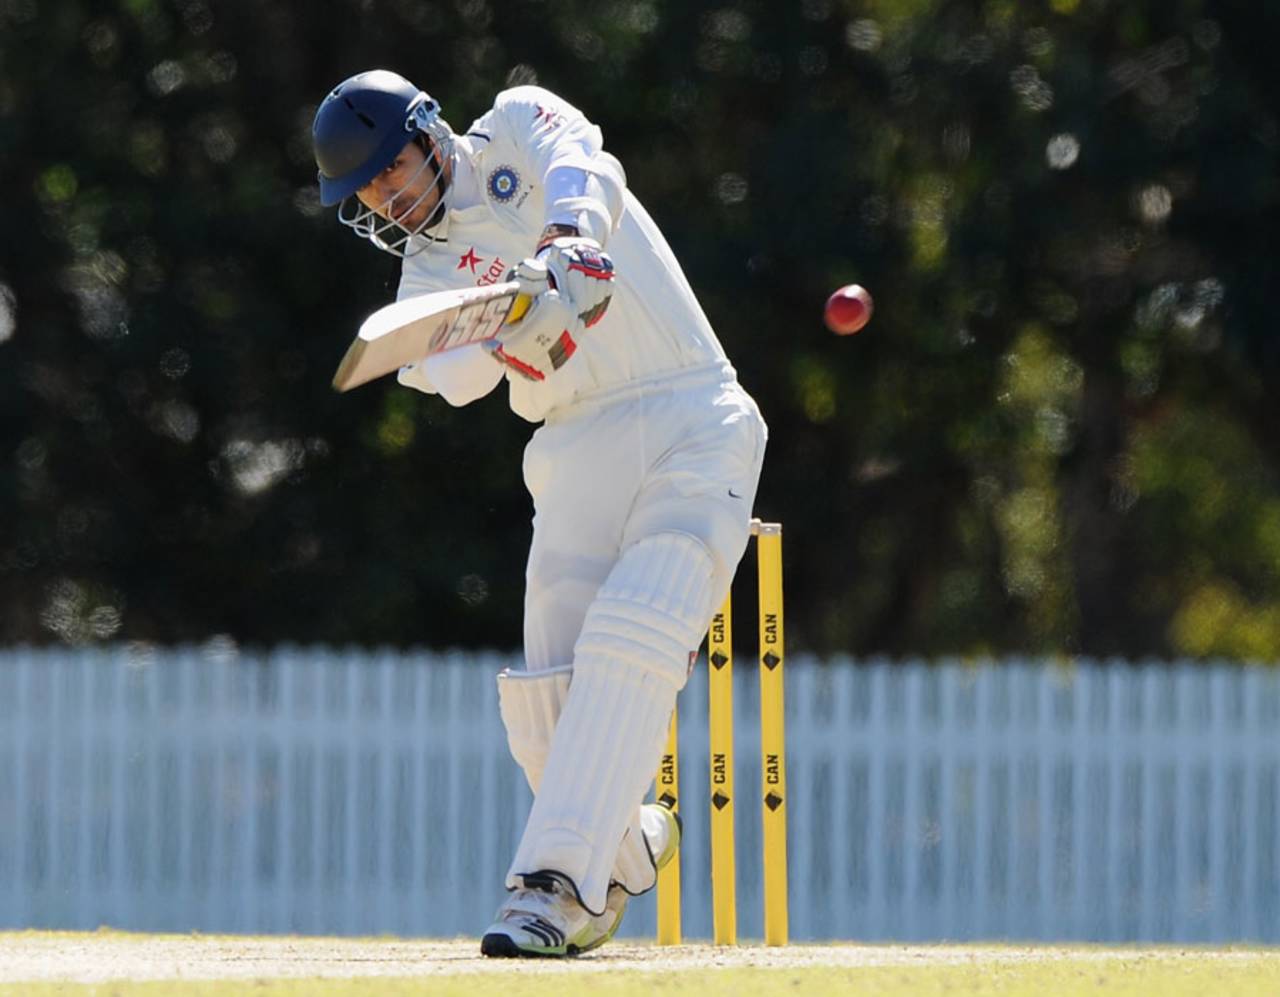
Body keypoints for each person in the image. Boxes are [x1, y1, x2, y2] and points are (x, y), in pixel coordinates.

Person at [311, 69, 768, 957]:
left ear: (429, 131)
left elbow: (584, 160)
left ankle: (550, 889)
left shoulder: (516, 127)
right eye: (365, 190)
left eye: (388, 170)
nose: (384, 197)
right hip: (573, 446)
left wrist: (569, 242)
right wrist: (500, 318)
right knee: (547, 695)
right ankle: (625, 847)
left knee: (633, 632)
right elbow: (453, 377)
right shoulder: (426, 276)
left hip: (692, 414)